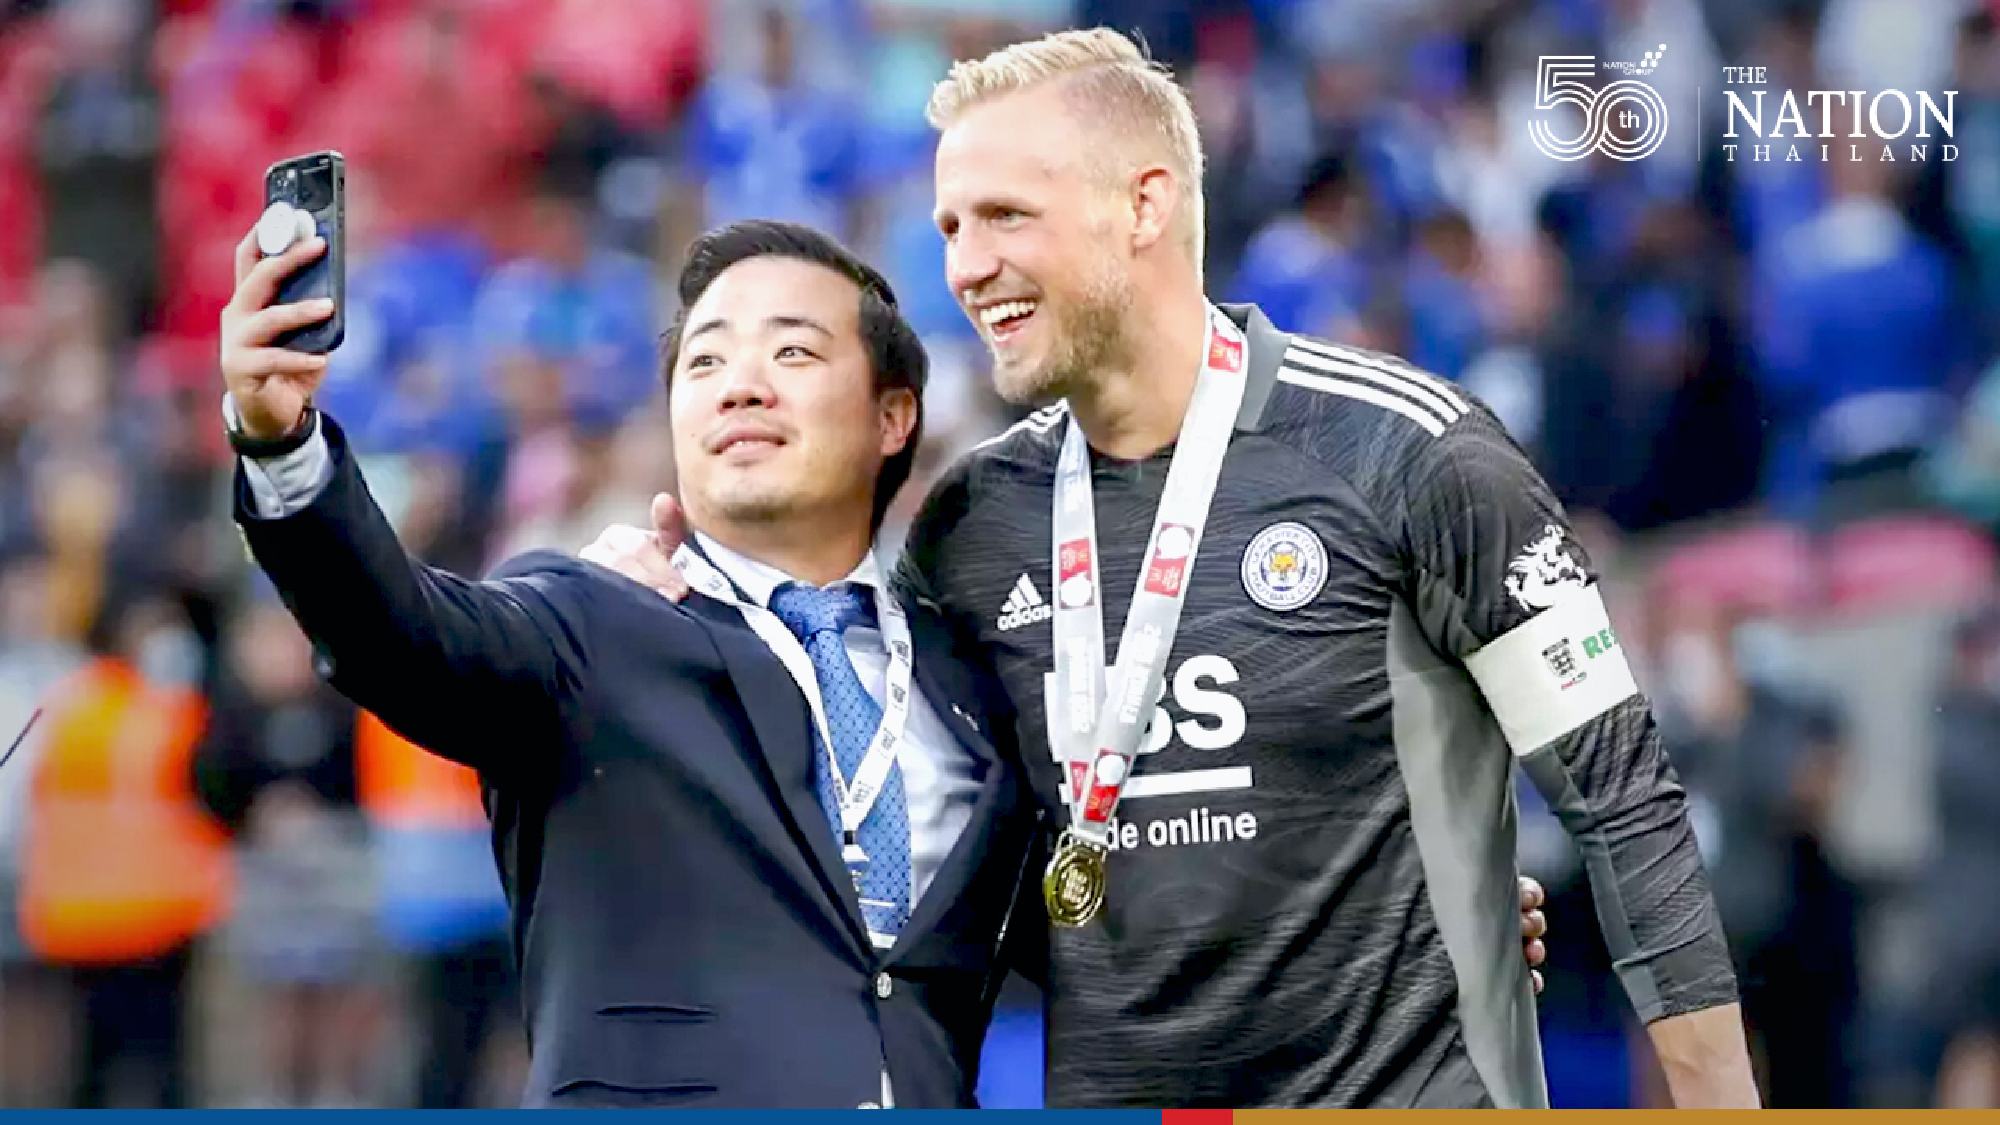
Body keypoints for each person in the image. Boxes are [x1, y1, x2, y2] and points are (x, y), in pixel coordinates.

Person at [584, 27, 1756, 1109]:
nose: (966, 266)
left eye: (1003, 216)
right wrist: (669, 625)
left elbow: (1626, 800)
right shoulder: (969, 527)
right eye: (948, 228)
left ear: (1142, 204)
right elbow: (942, 862)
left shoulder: (1406, 450)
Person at [216, 218, 1046, 1108]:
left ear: (894, 416)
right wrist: (283, 445)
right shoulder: (590, 624)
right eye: (705, 363)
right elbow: (400, 630)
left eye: (794, 353)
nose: (741, 388)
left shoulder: (973, 682)